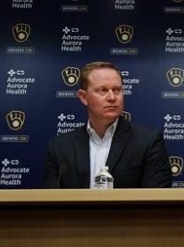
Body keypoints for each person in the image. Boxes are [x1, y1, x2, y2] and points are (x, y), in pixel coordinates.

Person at [41, 61, 172, 188]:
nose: (112, 97)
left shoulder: (148, 142)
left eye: (117, 90)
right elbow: (49, 199)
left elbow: (156, 199)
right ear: (83, 97)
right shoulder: (60, 148)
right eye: (102, 90)